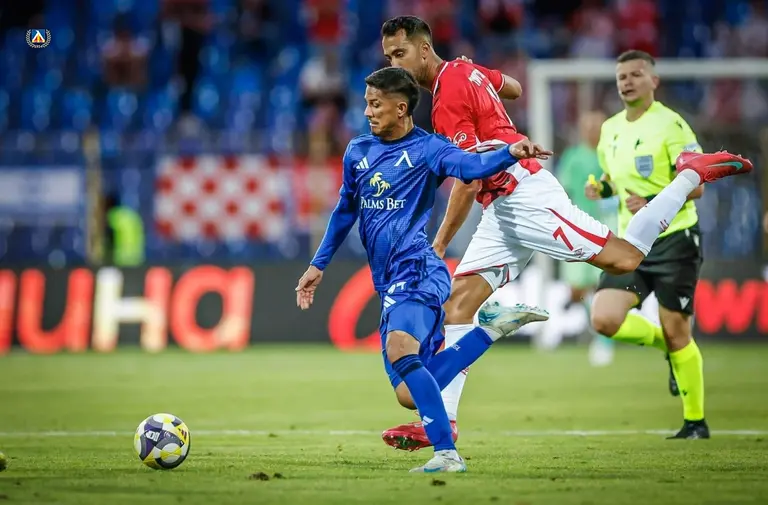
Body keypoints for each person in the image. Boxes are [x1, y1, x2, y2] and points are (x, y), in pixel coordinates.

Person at [379, 15, 753, 450]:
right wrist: (480, 79)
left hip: (524, 195)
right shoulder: (465, 70)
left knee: (626, 258)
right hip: (500, 207)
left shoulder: (448, 96)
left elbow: (467, 178)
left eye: (401, 53)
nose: (395, 64)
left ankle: (689, 175)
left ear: (425, 49)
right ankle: (443, 423)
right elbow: (513, 88)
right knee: (459, 304)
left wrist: (439, 244)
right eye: (389, 57)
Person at [295, 67, 552, 473]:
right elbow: (345, 210)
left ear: (401, 108)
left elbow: (469, 167)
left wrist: (510, 153)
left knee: (401, 351)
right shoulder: (358, 151)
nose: (367, 112)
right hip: (389, 280)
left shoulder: (428, 149)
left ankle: (447, 454)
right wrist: (318, 263)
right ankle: (488, 331)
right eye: (366, 103)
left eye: (375, 104)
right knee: (408, 392)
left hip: (418, 270)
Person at [586, 50, 724, 439]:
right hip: (631, 242)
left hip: (675, 239)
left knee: (679, 329)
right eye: (621, 77)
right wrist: (603, 188)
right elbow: (614, 179)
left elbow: (697, 184)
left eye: (635, 74)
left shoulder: (672, 125)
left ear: (653, 81)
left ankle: (695, 422)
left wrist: (650, 201)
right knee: (604, 319)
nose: (627, 82)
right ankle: (668, 345)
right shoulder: (610, 128)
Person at [557, 111, 615, 367]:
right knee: (577, 288)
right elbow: (563, 190)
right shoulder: (573, 157)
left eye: (596, 127)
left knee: (599, 286)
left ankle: (603, 341)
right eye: (588, 127)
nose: (592, 131)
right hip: (576, 230)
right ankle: (587, 326)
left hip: (605, 229)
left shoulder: (609, 155)